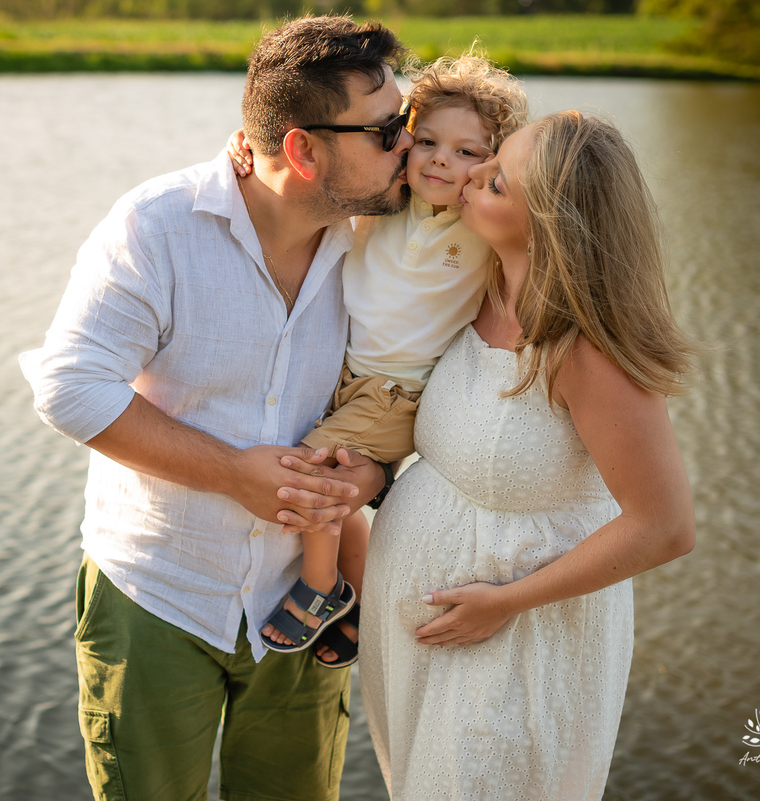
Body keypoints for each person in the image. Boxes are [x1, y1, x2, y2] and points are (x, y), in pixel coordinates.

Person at [18, 16, 411, 801]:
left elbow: (423, 380)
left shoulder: (388, 241)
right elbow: (69, 386)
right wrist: (233, 473)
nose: (410, 143)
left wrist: (369, 467)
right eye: (388, 129)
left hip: (308, 604)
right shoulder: (156, 226)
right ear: (302, 150)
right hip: (157, 597)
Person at [358, 110, 699, 800]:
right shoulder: (476, 287)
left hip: (520, 649)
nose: (471, 175)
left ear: (547, 220)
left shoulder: (586, 349)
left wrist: (506, 602)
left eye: (496, 180)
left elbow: (664, 525)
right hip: (426, 645)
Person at [230, 53, 530, 669]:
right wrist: (248, 152)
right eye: (427, 142)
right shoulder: (382, 199)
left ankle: (322, 587)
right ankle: (364, 600)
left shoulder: (478, 226)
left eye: (469, 153)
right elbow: (320, 170)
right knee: (334, 480)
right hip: (342, 372)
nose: (443, 161)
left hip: (398, 390)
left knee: (315, 474)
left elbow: (535, 205)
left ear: (493, 165)